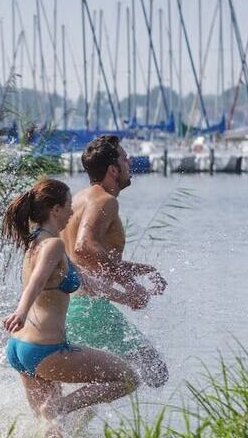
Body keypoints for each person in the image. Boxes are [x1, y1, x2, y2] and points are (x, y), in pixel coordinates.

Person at [1, 178, 139, 434]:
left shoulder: (36, 243)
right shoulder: (54, 245)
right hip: (46, 349)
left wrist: (127, 296)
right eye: (68, 206)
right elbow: (37, 280)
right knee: (128, 378)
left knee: (52, 430)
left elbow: (88, 282)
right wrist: (20, 312)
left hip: (20, 348)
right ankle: (59, 407)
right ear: (55, 210)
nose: (72, 212)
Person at [60, 135, 170, 388]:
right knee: (156, 371)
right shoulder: (105, 200)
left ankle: (62, 423)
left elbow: (87, 260)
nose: (129, 162)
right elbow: (85, 246)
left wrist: (145, 270)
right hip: (91, 309)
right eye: (124, 158)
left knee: (100, 380)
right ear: (113, 169)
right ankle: (60, 415)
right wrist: (130, 285)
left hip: (70, 306)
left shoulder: (78, 200)